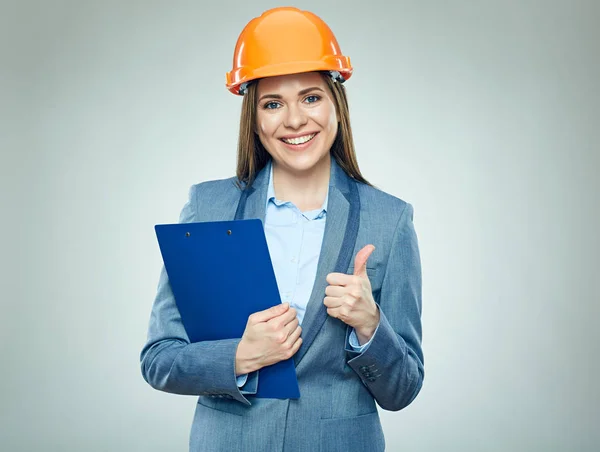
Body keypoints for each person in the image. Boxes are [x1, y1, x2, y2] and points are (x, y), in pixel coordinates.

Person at [140, 7, 424, 451]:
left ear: (336, 105)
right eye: (273, 104)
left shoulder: (390, 219)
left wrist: (370, 326)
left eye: (310, 97)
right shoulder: (208, 206)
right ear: (254, 117)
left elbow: (404, 388)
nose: (294, 120)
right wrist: (239, 356)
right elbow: (159, 359)